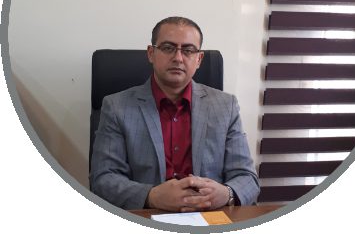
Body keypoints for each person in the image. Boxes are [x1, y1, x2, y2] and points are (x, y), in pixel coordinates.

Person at [90, 17, 260, 211]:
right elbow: (102, 180)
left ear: (199, 59)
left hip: (209, 216)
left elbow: (248, 178)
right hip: (147, 216)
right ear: (151, 53)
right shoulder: (116, 107)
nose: (178, 58)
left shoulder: (225, 106)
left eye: (188, 50)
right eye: (168, 48)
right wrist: (152, 196)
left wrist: (227, 193)